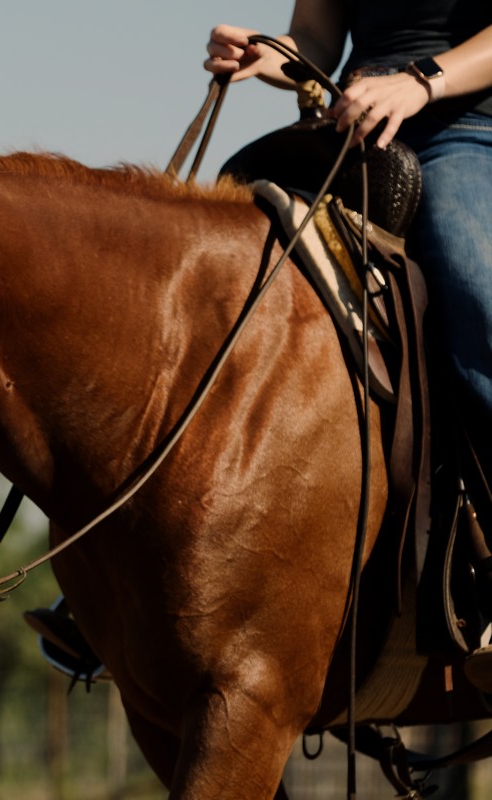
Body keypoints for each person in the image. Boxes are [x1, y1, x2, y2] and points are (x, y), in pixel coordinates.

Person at [205, 0, 492, 693]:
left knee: (469, 281)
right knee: (212, 262)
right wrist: (268, 54)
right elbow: (314, 39)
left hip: (468, 131)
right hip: (352, 132)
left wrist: (418, 80)